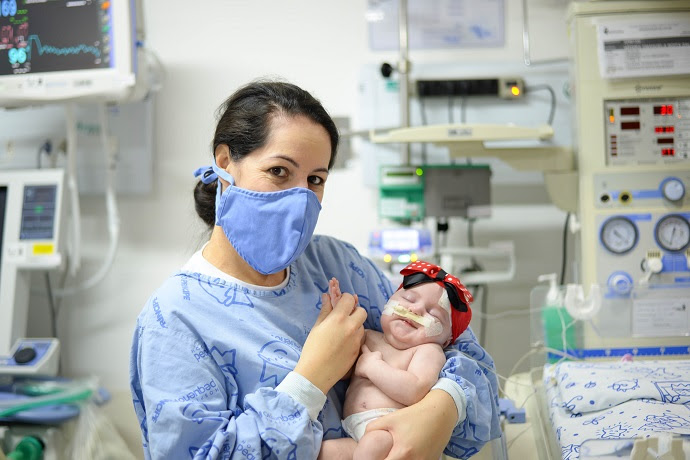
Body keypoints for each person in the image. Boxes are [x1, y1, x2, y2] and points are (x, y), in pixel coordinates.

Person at [129, 80, 501, 460]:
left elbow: (469, 356)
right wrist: (310, 379)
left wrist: (441, 407)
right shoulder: (174, 320)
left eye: (315, 180)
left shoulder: (337, 265)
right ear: (225, 163)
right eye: (278, 171)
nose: (300, 197)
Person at [320, 261, 474, 460]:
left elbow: (415, 390)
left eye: (433, 314)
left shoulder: (427, 351)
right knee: (320, 452)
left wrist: (374, 367)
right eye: (409, 298)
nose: (416, 310)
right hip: (354, 432)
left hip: (390, 433)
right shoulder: (369, 336)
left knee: (371, 447)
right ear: (388, 302)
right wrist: (337, 314)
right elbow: (340, 368)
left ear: (446, 340)